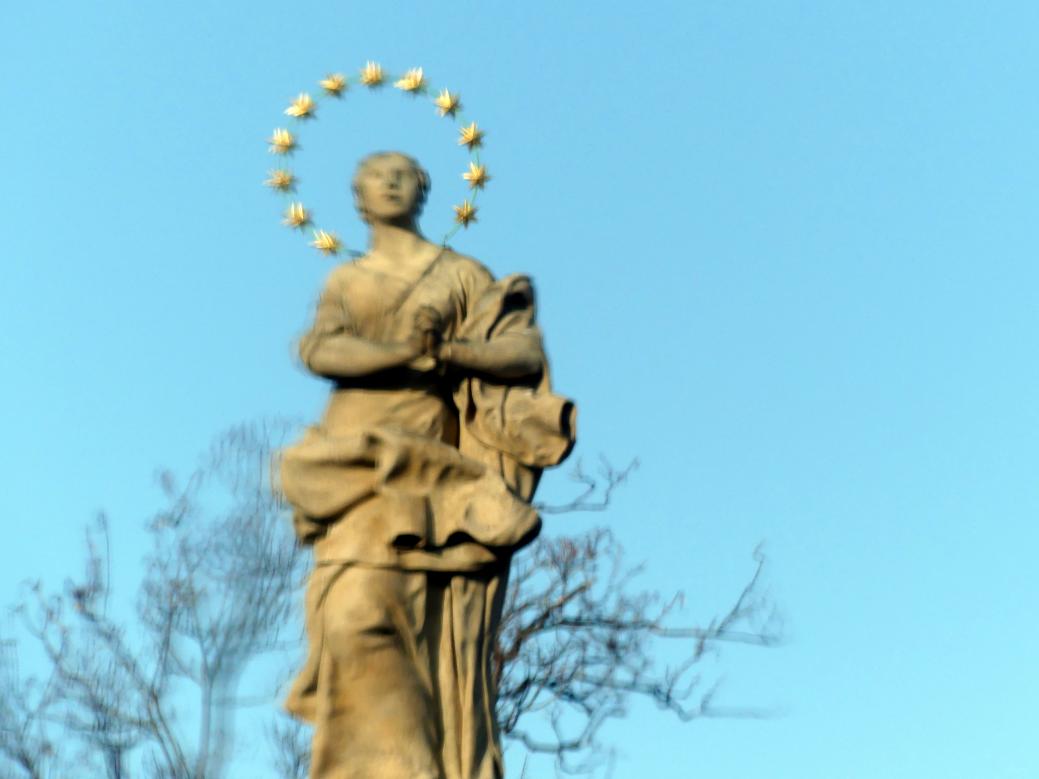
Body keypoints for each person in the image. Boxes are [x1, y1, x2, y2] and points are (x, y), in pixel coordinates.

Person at [277, 151, 575, 779]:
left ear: (425, 191)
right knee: (349, 614)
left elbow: (521, 354)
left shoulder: (463, 275)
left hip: (426, 472)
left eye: (402, 172)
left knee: (421, 625)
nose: (388, 181)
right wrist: (400, 353)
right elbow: (320, 349)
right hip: (350, 468)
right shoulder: (348, 281)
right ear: (357, 199)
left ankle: (418, 765)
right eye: (374, 174)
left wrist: (452, 352)